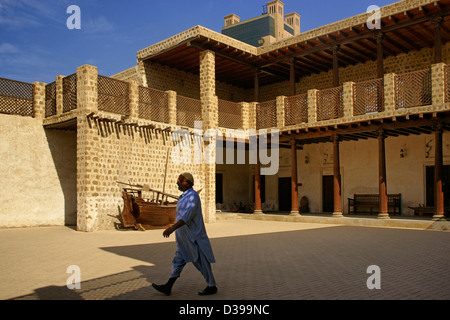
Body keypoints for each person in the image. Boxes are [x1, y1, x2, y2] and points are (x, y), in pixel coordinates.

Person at [152, 172, 217, 296]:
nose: (177, 182)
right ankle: (168, 286)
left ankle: (212, 286)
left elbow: (186, 217)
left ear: (187, 183)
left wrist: (171, 228)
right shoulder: (184, 196)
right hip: (183, 238)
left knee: (201, 261)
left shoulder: (193, 197)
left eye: (180, 181)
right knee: (178, 261)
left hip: (193, 237)